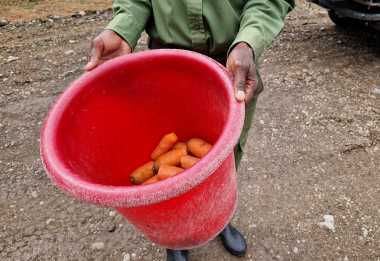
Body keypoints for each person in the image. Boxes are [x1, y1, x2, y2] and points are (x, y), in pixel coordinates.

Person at [85, 1, 294, 260]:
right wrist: (122, 29)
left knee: (226, 158)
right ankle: (175, 236)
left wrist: (248, 42)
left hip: (232, 66)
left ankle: (219, 218)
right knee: (170, 169)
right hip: (167, 69)